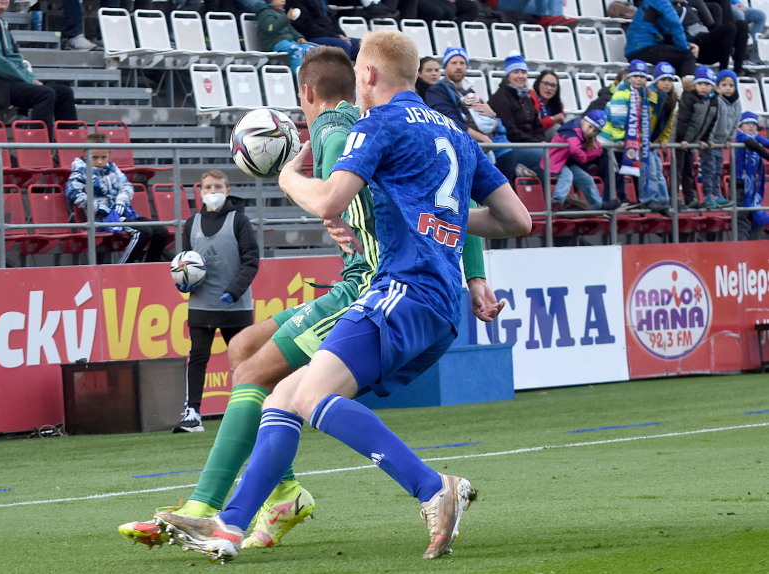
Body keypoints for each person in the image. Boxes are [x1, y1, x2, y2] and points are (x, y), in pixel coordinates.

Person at [153, 30, 532, 563]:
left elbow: (329, 198)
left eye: (359, 75)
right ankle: (230, 526)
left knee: (308, 397)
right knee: (284, 396)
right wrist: (434, 218)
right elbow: (518, 220)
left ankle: (432, 488)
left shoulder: (377, 124)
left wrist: (288, 178)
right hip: (440, 303)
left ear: (369, 75)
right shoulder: (457, 132)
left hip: (401, 288)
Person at [173, 170, 259, 433]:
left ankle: (249, 412)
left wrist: (234, 291)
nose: (213, 191)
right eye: (208, 187)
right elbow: (185, 263)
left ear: (228, 191)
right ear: (200, 192)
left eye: (218, 186)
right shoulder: (191, 224)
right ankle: (192, 414)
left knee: (244, 361)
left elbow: (251, 261)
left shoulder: (239, 221)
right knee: (197, 357)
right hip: (201, 305)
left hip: (236, 306)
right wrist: (184, 284)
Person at [0, 0, 78, 140]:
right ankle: (39, 153)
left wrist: (31, 78)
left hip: (1, 83)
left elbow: (15, 59)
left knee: (64, 93)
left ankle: (70, 152)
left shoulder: (0, 24)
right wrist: (28, 80)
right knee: (44, 94)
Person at [64, 133, 169, 263]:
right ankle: (121, 269)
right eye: (95, 157)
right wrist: (97, 206)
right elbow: (73, 193)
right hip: (102, 218)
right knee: (143, 232)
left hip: (121, 214)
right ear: (86, 155)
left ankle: (148, 267)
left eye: (104, 157)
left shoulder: (113, 169)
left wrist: (121, 202)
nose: (100, 161)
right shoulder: (80, 171)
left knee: (162, 231)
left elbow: (126, 186)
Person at [426, 47, 517, 181]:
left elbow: (492, 122)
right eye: (454, 63)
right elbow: (449, 121)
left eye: (462, 63)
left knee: (507, 156)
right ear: (445, 68)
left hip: (487, 143)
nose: (458, 67)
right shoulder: (436, 91)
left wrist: (493, 117)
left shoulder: (470, 92)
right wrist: (482, 138)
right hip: (460, 145)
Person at [601, 60, 655, 205]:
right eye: (635, 76)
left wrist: (641, 138)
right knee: (613, 171)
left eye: (642, 77)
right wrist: (624, 139)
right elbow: (618, 119)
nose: (638, 79)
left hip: (625, 139)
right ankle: (609, 199)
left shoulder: (641, 94)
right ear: (629, 77)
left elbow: (641, 120)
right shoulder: (622, 92)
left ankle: (622, 197)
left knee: (621, 170)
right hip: (612, 139)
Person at [544, 110, 621, 211]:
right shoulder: (573, 130)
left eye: (595, 131)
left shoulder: (586, 136)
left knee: (587, 179)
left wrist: (585, 154)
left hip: (566, 162)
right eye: (590, 127)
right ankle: (556, 202)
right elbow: (575, 150)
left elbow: (598, 150)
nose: (590, 132)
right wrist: (584, 157)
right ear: (584, 121)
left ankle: (597, 205)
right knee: (567, 176)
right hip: (555, 159)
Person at [489, 51, 546, 178]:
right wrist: (535, 143)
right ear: (508, 76)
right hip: (512, 147)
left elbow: (537, 124)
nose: (520, 76)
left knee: (556, 161)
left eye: (523, 72)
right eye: (516, 72)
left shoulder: (526, 97)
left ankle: (550, 196)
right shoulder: (500, 98)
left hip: (530, 145)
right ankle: (549, 197)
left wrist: (540, 140)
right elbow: (510, 130)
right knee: (546, 158)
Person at [675, 66, 720, 209]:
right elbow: (683, 120)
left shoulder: (713, 100)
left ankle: (690, 198)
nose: (703, 88)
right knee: (677, 168)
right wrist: (681, 138)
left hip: (692, 141)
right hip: (681, 140)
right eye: (700, 84)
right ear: (695, 84)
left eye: (707, 84)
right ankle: (674, 196)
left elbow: (711, 121)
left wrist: (705, 139)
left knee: (689, 170)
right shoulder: (689, 97)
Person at [698, 70, 741, 209]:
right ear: (718, 86)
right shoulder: (716, 100)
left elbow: (736, 122)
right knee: (708, 170)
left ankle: (716, 195)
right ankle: (708, 195)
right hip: (710, 143)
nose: (728, 88)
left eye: (731, 85)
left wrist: (729, 139)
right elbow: (712, 122)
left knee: (717, 170)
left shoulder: (736, 103)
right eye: (724, 85)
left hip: (720, 144)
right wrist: (709, 139)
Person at [642, 62, 681, 215]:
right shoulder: (649, 95)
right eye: (663, 79)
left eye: (670, 80)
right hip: (645, 142)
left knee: (659, 171)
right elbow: (643, 120)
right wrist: (644, 139)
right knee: (650, 171)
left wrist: (664, 139)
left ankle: (663, 201)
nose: (667, 83)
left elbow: (669, 122)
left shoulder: (672, 98)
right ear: (656, 80)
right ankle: (650, 199)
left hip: (654, 142)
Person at [625, 0, 699, 77]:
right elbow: (674, 23)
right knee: (688, 55)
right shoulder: (660, 1)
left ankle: (678, 86)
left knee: (682, 55)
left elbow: (669, 33)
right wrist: (684, 47)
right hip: (641, 48)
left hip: (641, 48)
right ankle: (688, 88)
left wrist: (689, 45)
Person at [734, 112, 769, 240]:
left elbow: (766, 142)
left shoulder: (756, 136)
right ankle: (742, 248)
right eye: (747, 124)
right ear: (741, 126)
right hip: (739, 185)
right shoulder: (741, 136)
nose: (751, 127)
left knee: (759, 218)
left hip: (751, 185)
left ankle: (753, 244)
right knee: (742, 219)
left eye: (754, 124)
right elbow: (754, 146)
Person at [254, 0, 313, 75]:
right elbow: (270, 28)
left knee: (309, 49)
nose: (283, 1)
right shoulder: (265, 12)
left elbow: (290, 28)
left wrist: (298, 37)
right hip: (274, 42)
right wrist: (286, 18)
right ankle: (299, 78)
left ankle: (312, 77)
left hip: (288, 41)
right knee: (295, 50)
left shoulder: (280, 12)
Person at [285, 0, 360, 60]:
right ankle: (343, 78)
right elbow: (306, 26)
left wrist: (341, 35)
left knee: (363, 45)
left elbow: (332, 19)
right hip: (310, 38)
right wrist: (335, 36)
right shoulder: (295, 2)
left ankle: (365, 78)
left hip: (330, 35)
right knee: (343, 45)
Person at [531, 70, 566, 141]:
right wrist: (552, 120)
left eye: (553, 85)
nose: (549, 88)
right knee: (556, 128)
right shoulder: (531, 99)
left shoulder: (558, 104)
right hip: (533, 137)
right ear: (538, 84)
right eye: (546, 84)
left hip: (547, 137)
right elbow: (533, 127)